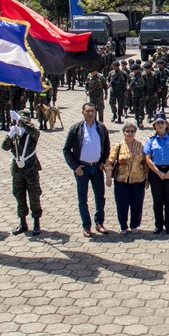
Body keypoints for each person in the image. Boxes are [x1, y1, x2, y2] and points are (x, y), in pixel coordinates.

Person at [63, 102, 112, 237]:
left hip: (97, 168)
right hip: (82, 169)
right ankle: (86, 226)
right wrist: (75, 167)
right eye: (88, 111)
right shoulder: (76, 129)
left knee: (100, 197)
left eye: (92, 111)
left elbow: (107, 147)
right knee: (82, 198)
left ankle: (99, 223)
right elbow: (66, 150)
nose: (90, 113)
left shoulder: (101, 128)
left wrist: (103, 162)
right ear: (83, 112)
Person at [1, 109, 43, 236]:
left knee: (34, 195)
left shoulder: (32, 133)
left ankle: (36, 222)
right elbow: (4, 147)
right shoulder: (15, 133)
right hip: (17, 169)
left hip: (31, 168)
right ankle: (22, 222)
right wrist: (9, 135)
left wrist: (20, 119)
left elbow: (35, 131)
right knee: (19, 195)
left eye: (25, 120)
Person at [105, 121, 149, 234]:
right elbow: (109, 162)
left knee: (137, 204)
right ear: (123, 132)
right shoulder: (118, 146)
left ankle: (134, 224)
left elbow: (145, 163)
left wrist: (147, 179)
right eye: (127, 131)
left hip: (138, 180)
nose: (130, 133)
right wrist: (108, 177)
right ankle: (123, 225)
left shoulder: (140, 146)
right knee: (122, 204)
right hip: (121, 180)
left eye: (132, 131)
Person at [144, 112, 169, 234]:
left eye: (162, 122)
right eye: (158, 123)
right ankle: (158, 224)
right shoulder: (151, 140)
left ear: (166, 124)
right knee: (158, 200)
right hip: (156, 172)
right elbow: (148, 158)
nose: (160, 125)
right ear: (154, 126)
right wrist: (158, 172)